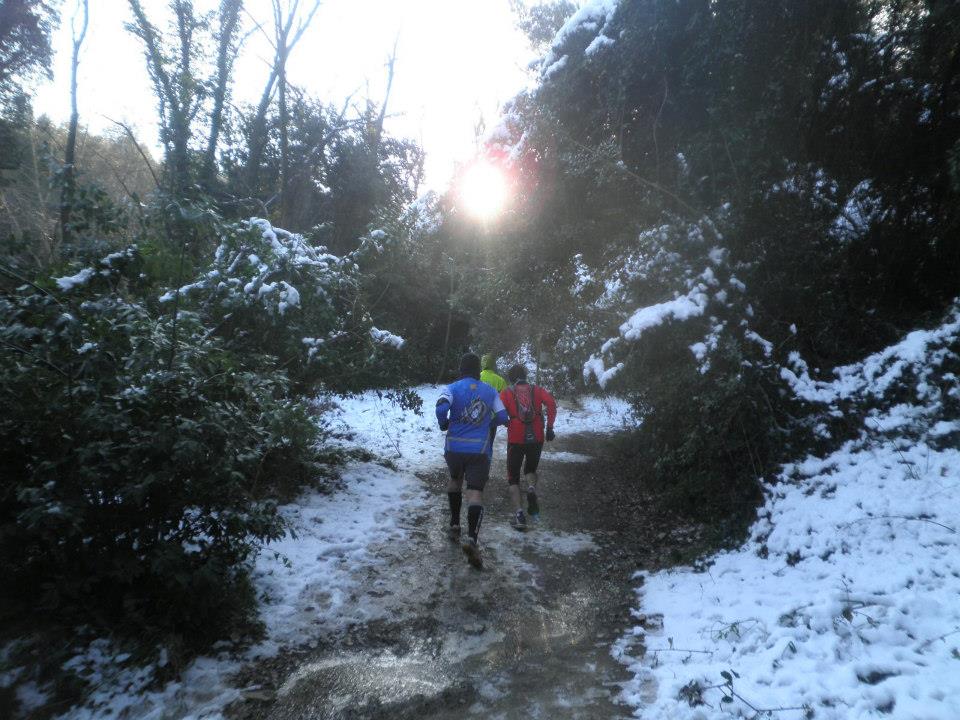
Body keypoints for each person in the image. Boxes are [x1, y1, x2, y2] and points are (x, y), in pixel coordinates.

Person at [436, 352, 509, 569]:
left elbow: (441, 407)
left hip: (454, 447)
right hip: (479, 449)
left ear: (461, 368)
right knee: (475, 492)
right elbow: (504, 417)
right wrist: (488, 422)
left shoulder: (451, 388)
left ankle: (454, 524)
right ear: (478, 370)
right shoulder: (491, 391)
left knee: (455, 480)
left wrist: (444, 423)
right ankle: (472, 539)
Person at [499, 364, 557, 530]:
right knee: (530, 469)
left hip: (516, 437)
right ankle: (531, 488)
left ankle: (519, 515)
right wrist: (550, 427)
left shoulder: (507, 392)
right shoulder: (537, 390)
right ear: (525, 375)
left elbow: (499, 412)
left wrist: (506, 422)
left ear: (511, 377)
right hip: (536, 435)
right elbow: (551, 403)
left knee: (513, 477)